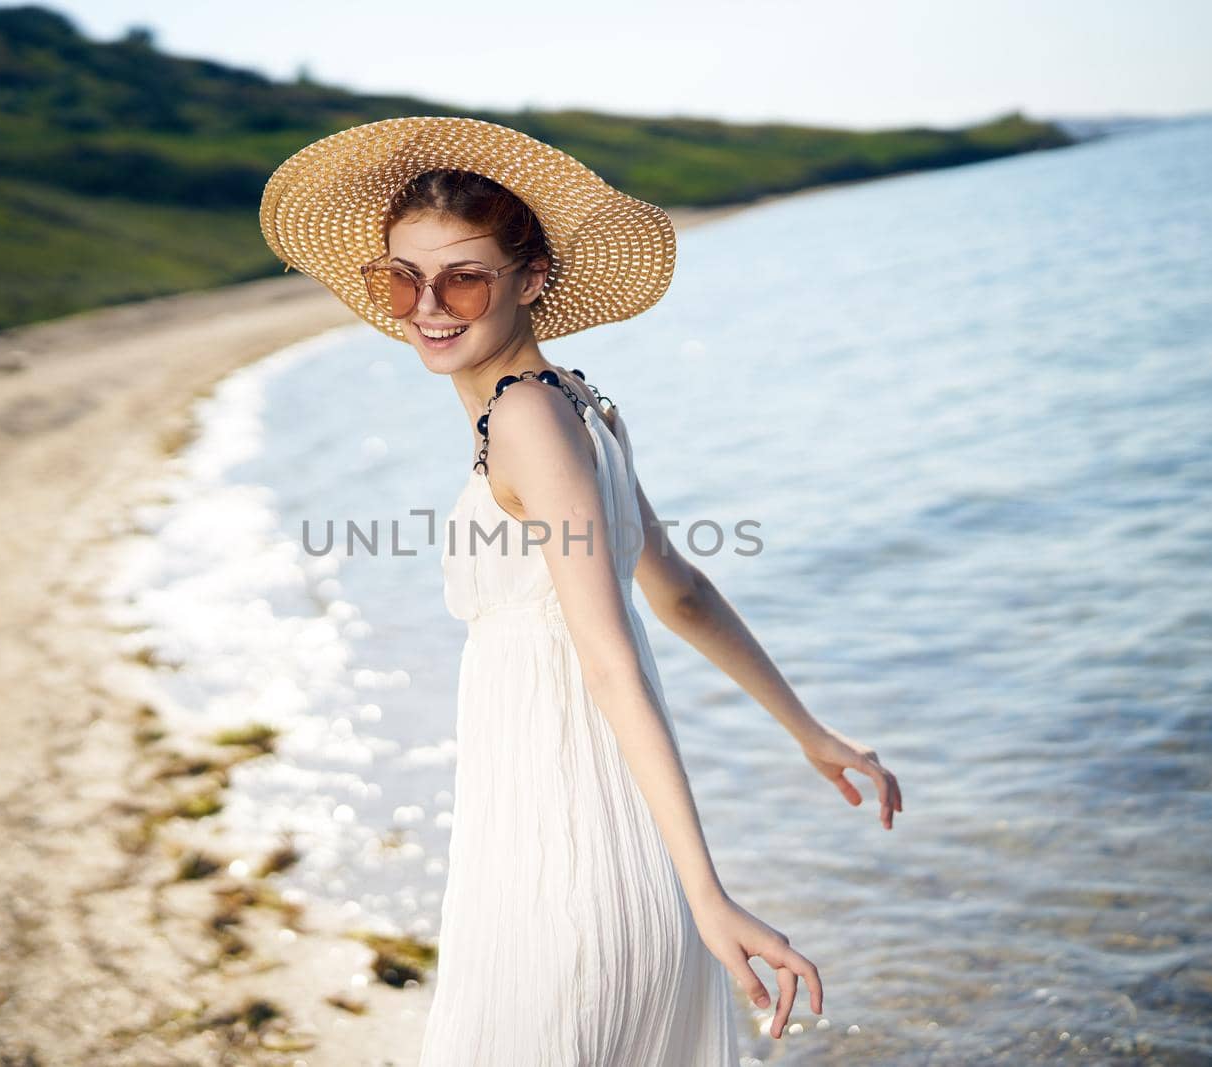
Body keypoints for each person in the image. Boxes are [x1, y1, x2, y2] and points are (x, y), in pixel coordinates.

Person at [259, 116, 903, 1066]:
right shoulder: (575, 398)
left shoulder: (527, 419)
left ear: (534, 279)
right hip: (566, 823)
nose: (428, 305)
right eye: (403, 276)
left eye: (464, 276)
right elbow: (677, 590)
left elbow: (609, 655)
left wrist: (706, 891)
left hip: (566, 840)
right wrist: (806, 729)